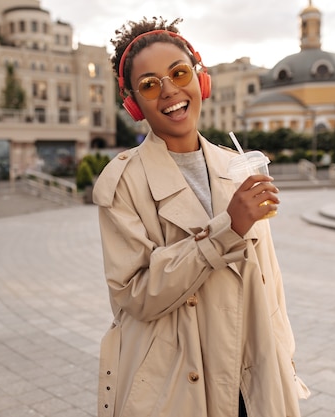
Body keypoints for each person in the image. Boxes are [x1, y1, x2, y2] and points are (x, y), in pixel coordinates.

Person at [92, 17, 310, 417]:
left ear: (201, 79)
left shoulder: (237, 167)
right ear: (133, 104)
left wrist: (283, 357)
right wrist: (225, 231)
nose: (170, 91)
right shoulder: (123, 183)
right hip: (178, 383)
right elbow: (134, 295)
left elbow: (270, 282)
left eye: (178, 73)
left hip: (255, 376)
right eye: (150, 84)